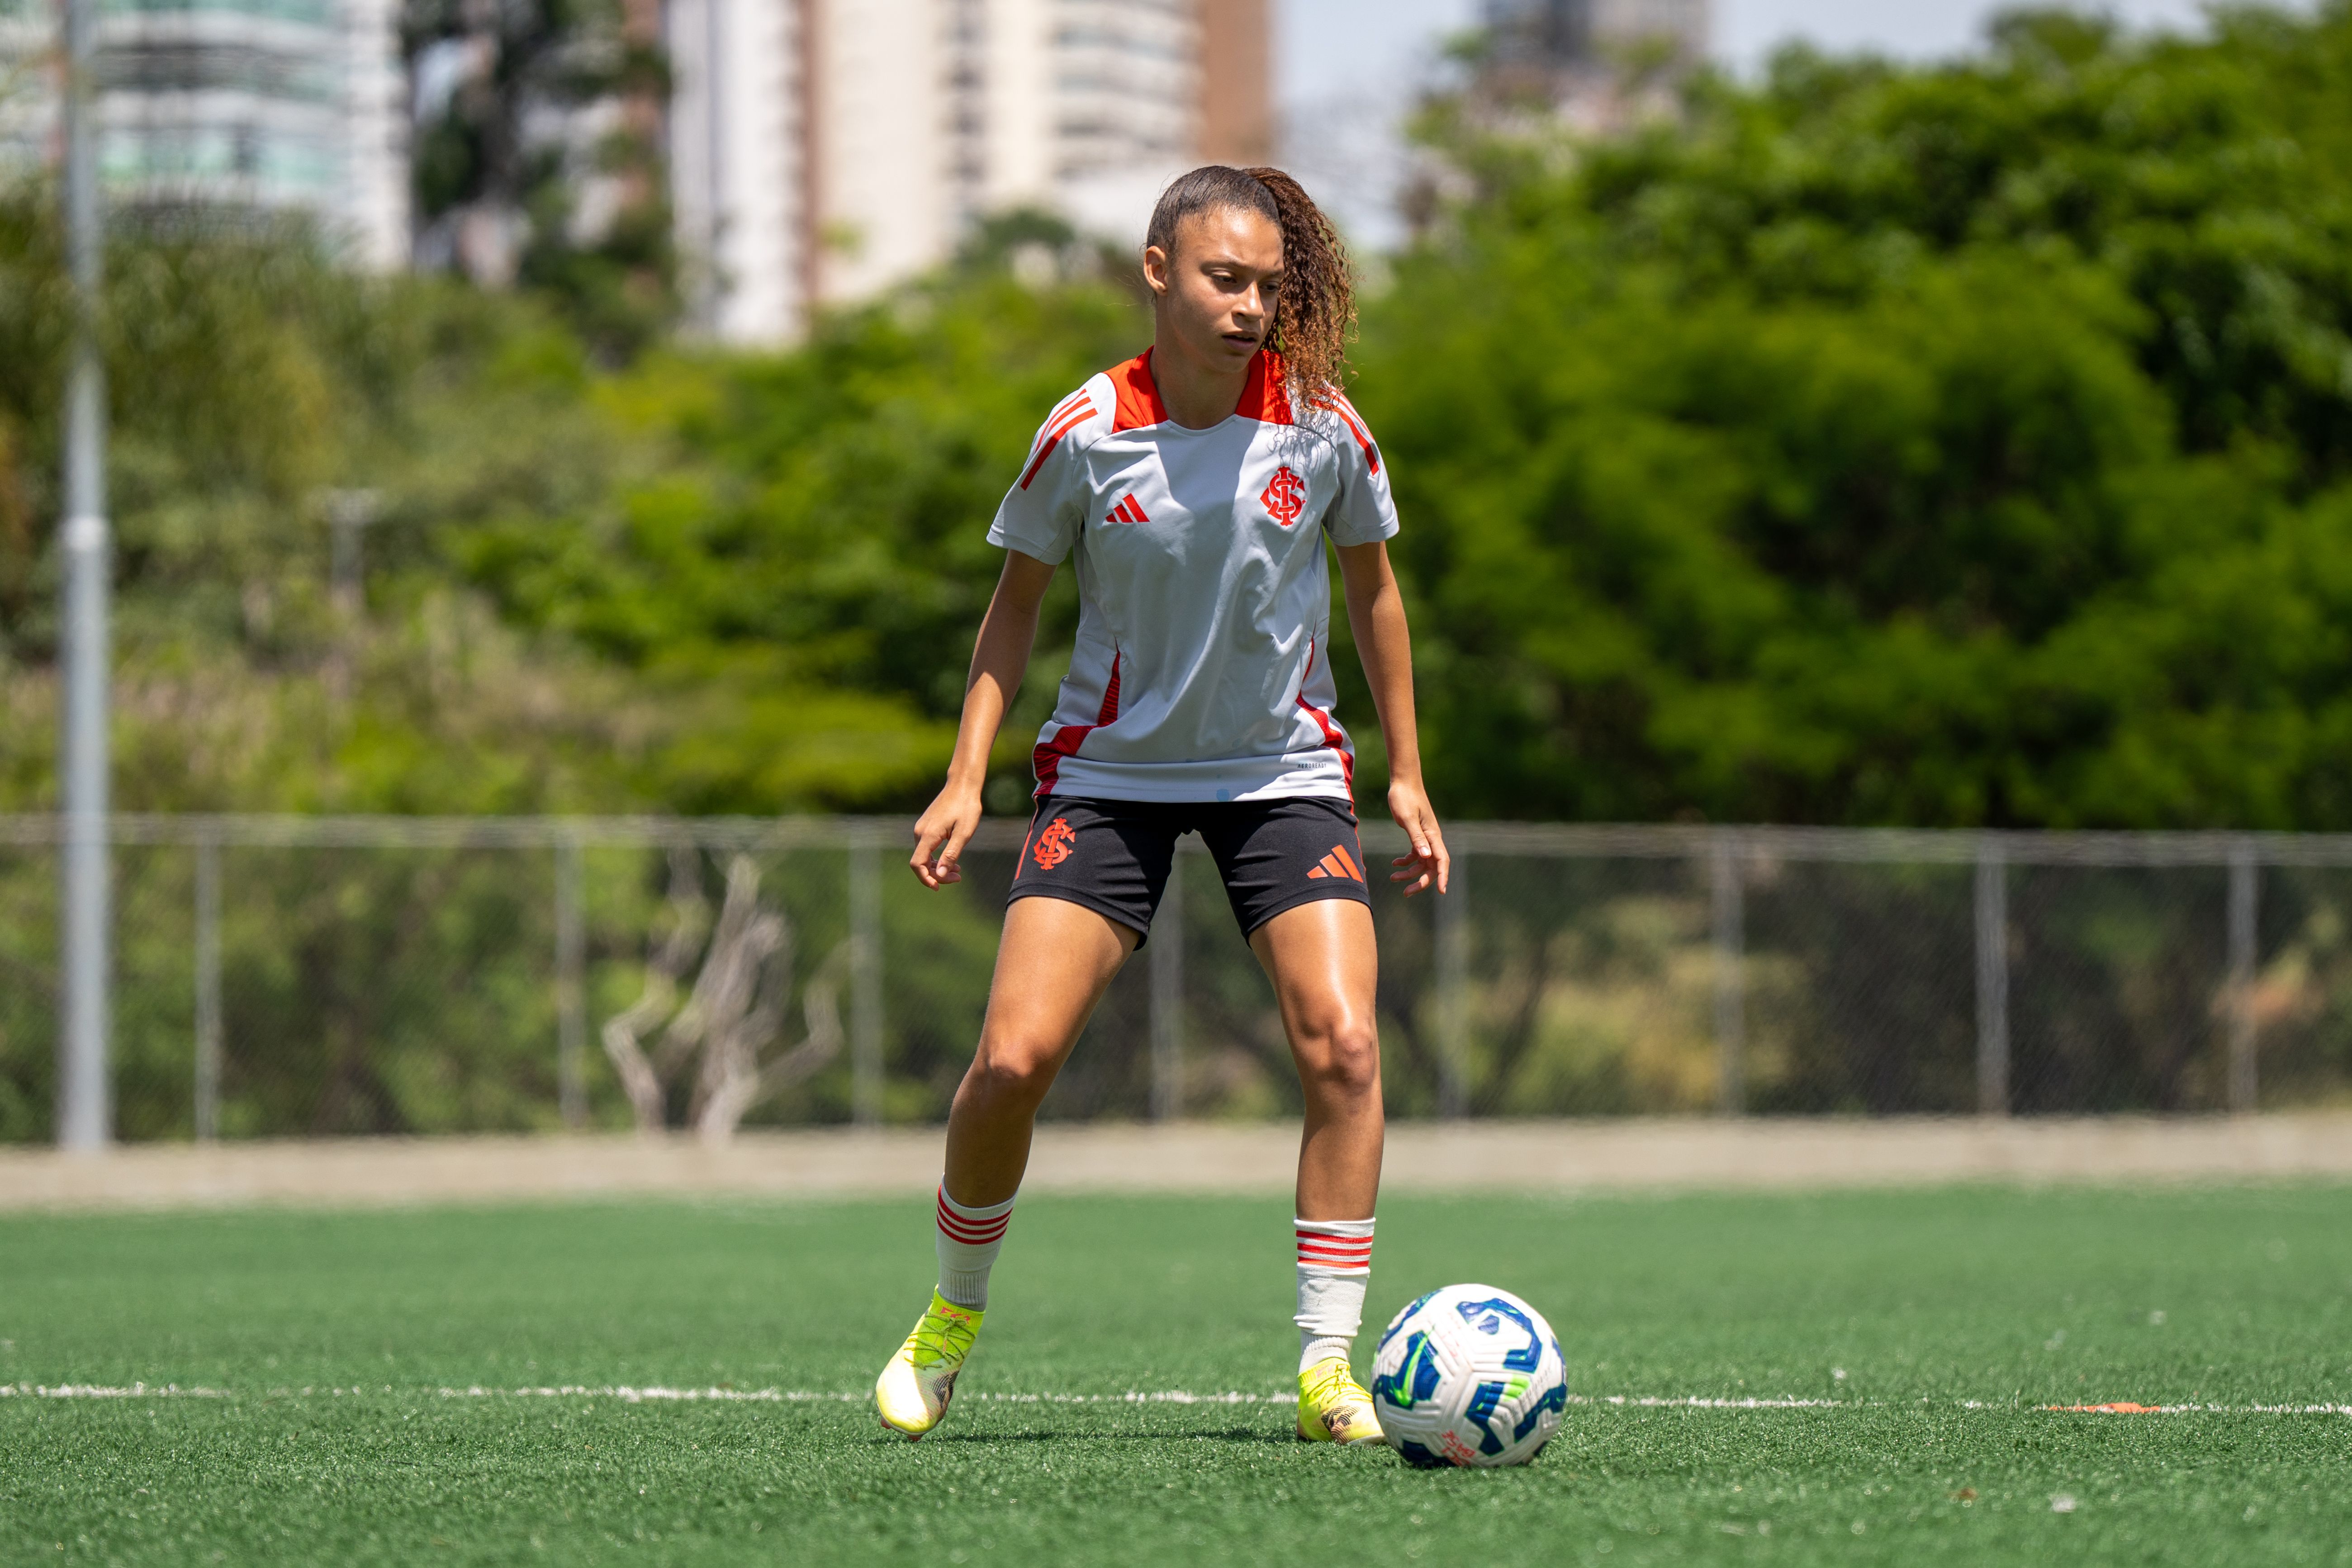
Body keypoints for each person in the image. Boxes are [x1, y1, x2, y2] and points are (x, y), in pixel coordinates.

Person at [873, 164, 1449, 1447]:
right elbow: (1014, 607)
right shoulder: (1084, 430)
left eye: (1268, 286)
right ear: (1157, 271)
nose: (1251, 307)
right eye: (1224, 279)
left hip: (1281, 773)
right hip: (1111, 778)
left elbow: (1376, 594)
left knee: (1347, 1048)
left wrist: (1407, 772)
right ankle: (951, 1317)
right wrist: (966, 775)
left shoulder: (1323, 423)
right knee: (1011, 1062)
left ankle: (1327, 1368)